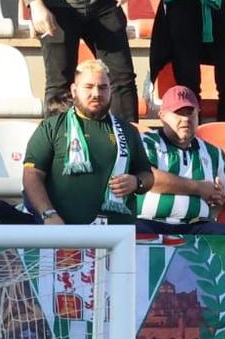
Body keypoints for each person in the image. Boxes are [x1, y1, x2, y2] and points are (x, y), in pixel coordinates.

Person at [21, 60, 154, 228]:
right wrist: (48, 214)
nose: (96, 93)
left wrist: (136, 182)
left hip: (117, 236)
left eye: (103, 87)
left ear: (111, 90)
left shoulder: (128, 131)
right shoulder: (51, 127)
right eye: (88, 87)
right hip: (64, 231)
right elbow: (32, 176)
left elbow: (148, 176)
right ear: (74, 90)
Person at [136, 85, 225, 235]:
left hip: (198, 226)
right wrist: (199, 188)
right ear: (162, 115)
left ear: (198, 114)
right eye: (178, 113)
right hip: (150, 223)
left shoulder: (213, 152)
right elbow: (148, 178)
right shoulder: (146, 142)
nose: (185, 119)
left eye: (190, 112)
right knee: (132, 232)